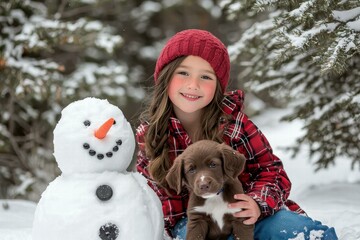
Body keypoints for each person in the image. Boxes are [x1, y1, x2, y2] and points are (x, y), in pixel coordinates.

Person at [135, 29, 338, 240]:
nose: (193, 85)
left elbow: (271, 172)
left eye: (205, 76)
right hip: (196, 225)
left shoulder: (234, 124)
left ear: (218, 86)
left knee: (307, 234)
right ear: (165, 77)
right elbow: (148, 199)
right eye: (183, 72)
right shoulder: (151, 136)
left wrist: (257, 203)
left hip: (249, 215)